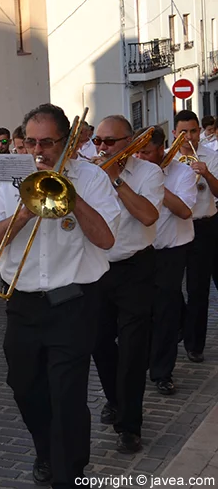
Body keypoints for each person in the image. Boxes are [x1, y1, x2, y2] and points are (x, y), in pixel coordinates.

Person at [0, 103, 120, 487]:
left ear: (67, 143)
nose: (38, 152)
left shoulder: (90, 178)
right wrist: (23, 212)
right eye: (31, 142)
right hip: (22, 303)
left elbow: (106, 238)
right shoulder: (3, 179)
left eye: (48, 143)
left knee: (67, 393)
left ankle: (69, 471)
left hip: (74, 302)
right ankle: (47, 450)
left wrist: (69, 194)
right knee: (23, 386)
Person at [89, 116, 163, 454]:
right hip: (98, 268)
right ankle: (116, 400)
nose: (101, 148)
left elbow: (148, 215)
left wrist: (116, 180)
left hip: (135, 268)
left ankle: (130, 426)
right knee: (99, 343)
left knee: (133, 351)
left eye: (109, 142)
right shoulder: (89, 172)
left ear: (129, 142)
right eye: (98, 141)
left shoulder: (149, 173)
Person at [137, 128, 195, 396]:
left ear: (162, 149)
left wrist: (156, 181)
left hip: (172, 250)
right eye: (137, 151)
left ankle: (162, 372)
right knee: (145, 310)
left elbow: (184, 210)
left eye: (146, 152)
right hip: (142, 250)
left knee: (165, 311)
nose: (140, 157)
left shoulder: (182, 173)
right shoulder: (134, 170)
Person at [173, 110, 218, 363]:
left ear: (200, 131)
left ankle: (194, 344)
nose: (189, 137)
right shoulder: (168, 159)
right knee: (169, 286)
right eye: (183, 132)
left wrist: (208, 174)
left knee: (198, 288)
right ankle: (182, 324)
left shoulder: (212, 156)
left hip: (204, 226)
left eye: (193, 131)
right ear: (175, 134)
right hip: (177, 226)